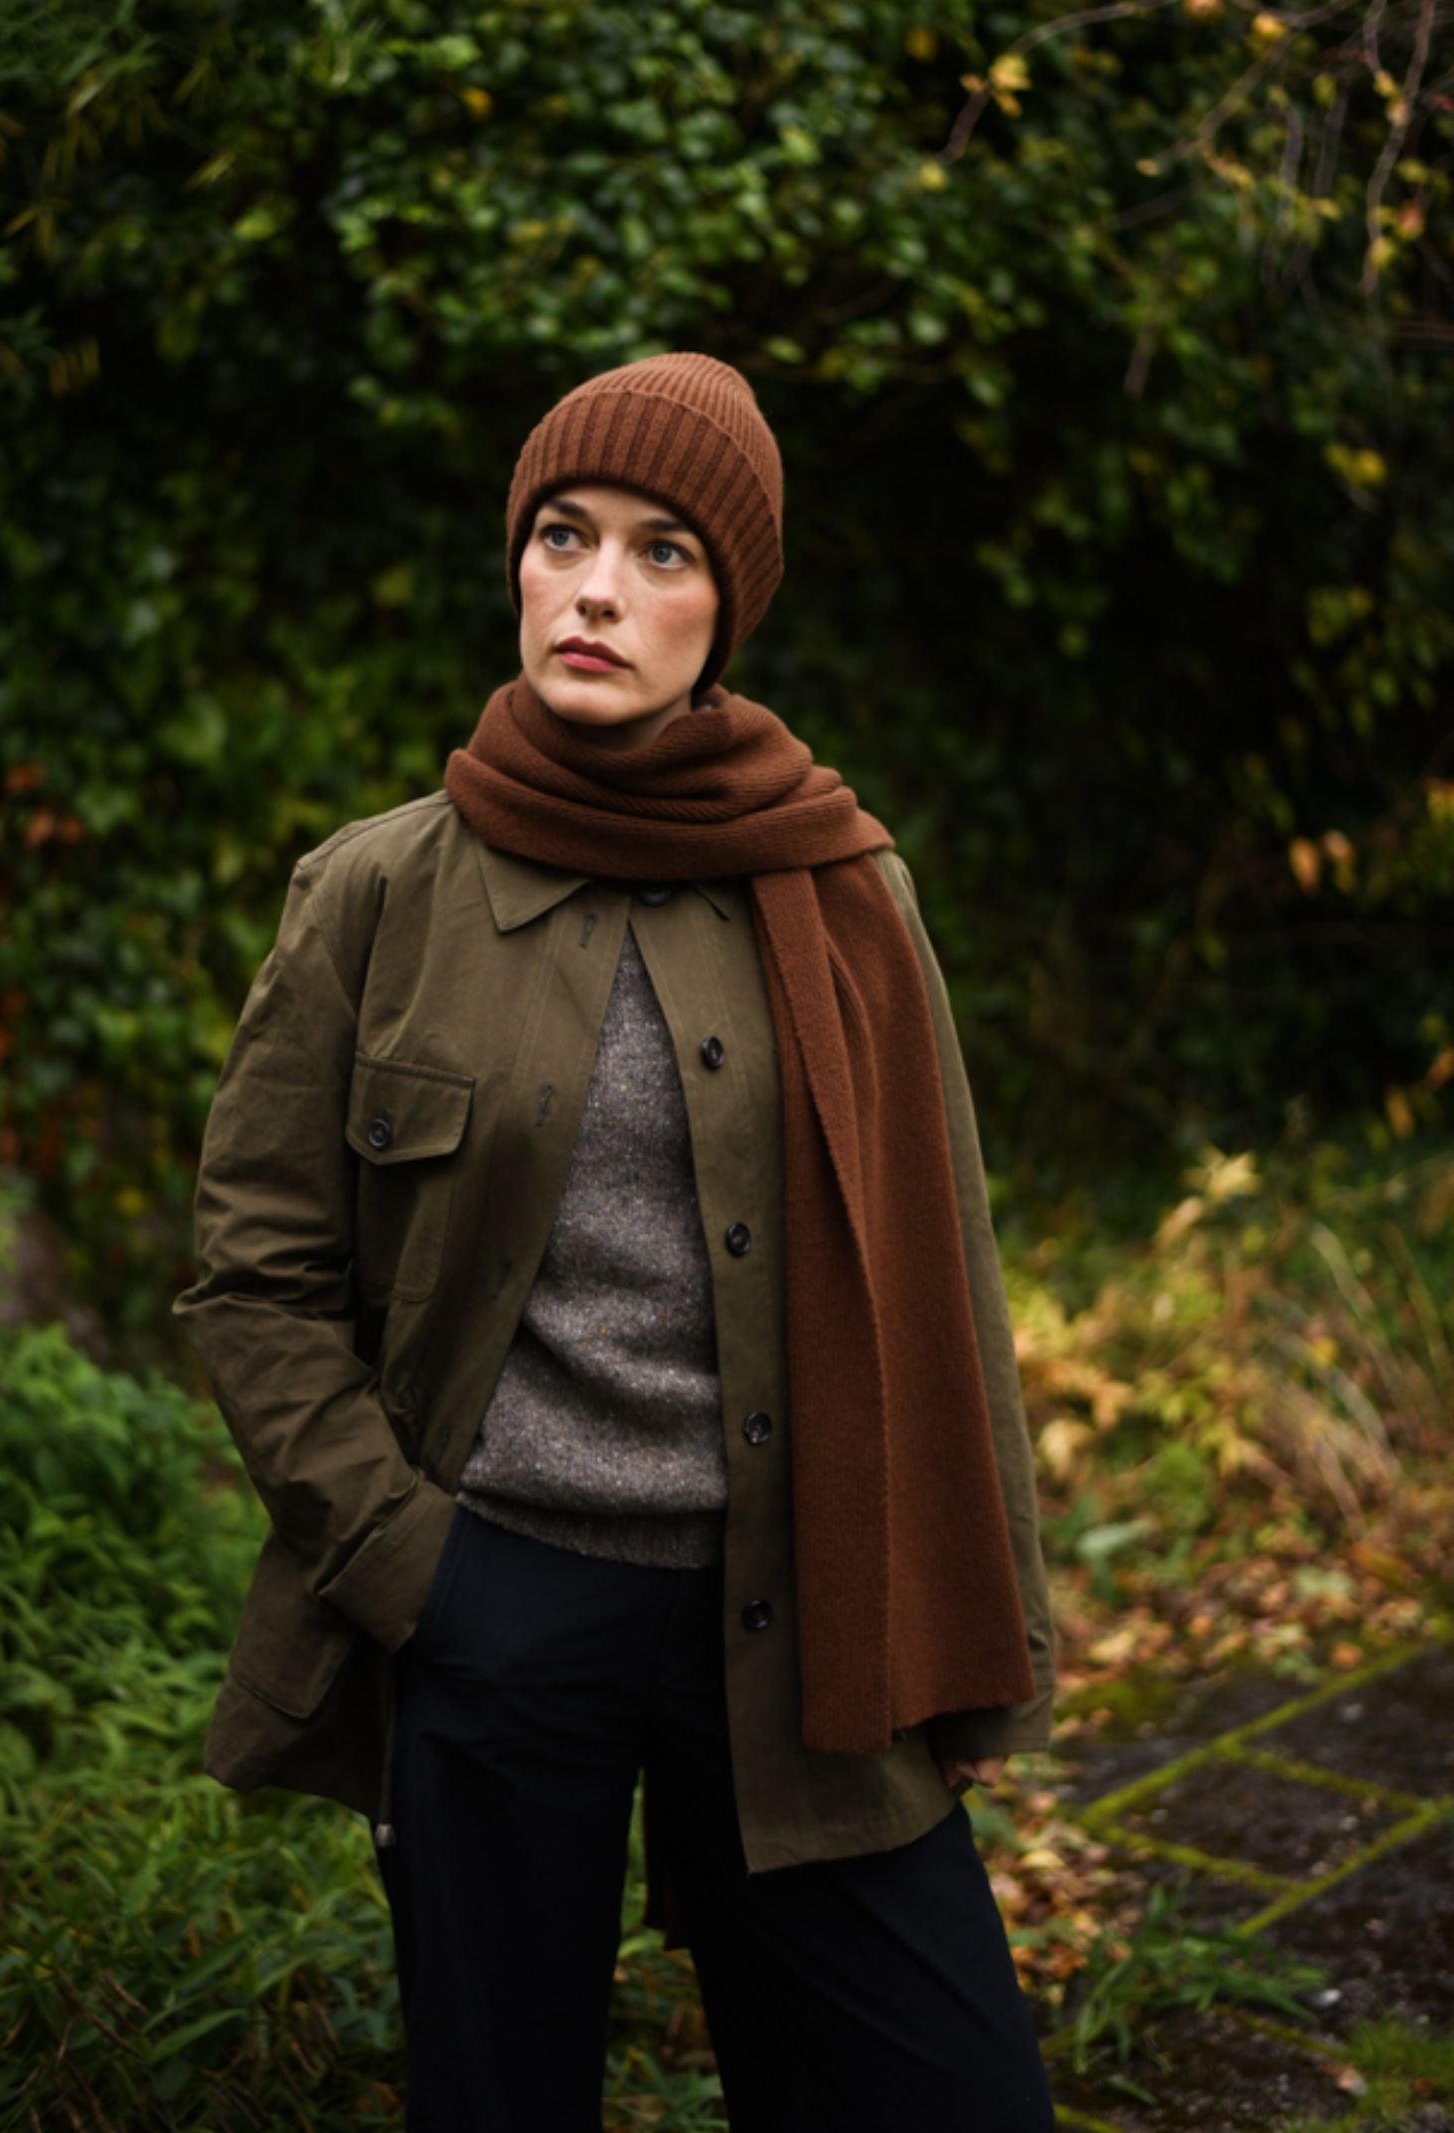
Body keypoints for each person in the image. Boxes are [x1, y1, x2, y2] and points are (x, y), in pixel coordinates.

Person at [173, 350, 1058, 2132]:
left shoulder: (842, 885)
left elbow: (945, 1273)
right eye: (563, 534)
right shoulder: (377, 894)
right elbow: (253, 1273)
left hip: (805, 1616)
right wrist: (416, 1567)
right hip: (499, 1609)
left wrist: (979, 1635)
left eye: (664, 552)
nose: (596, 587)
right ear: (514, 562)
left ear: (728, 606)